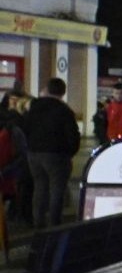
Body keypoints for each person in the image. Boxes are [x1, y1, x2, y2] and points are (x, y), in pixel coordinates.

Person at [24, 77, 81, 228]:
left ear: (47, 89)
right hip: (57, 155)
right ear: (63, 92)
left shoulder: (33, 107)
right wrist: (70, 152)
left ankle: (38, 222)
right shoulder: (64, 110)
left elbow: (25, 128)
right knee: (57, 189)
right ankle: (55, 223)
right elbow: (73, 135)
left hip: (34, 153)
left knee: (39, 187)